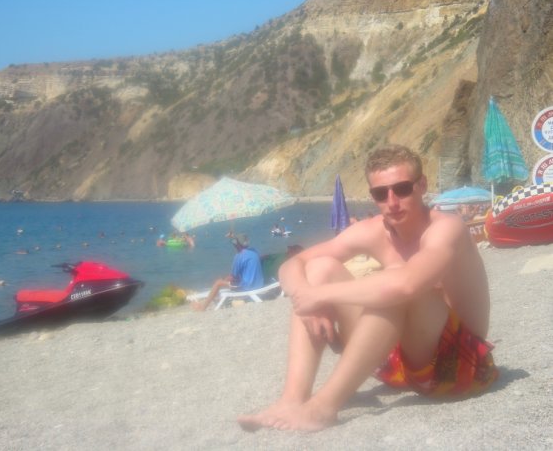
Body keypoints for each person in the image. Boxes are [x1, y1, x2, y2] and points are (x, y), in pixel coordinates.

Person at [238, 144, 498, 432]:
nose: (392, 202)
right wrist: (306, 299)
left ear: (422, 185)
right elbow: (292, 265)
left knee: (395, 282)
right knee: (319, 268)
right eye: (380, 194)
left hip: (459, 367)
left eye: (402, 189)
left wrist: (318, 296)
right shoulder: (373, 230)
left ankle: (322, 408)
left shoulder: (447, 228)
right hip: (398, 366)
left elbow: (407, 284)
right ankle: (292, 399)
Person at [192, 234, 264, 312]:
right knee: (226, 281)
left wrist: (223, 280)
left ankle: (202, 308)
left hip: (248, 287)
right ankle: (211, 299)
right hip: (259, 284)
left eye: (235, 243)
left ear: (237, 244)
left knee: (218, 283)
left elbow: (232, 277)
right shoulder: (254, 251)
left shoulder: (239, 256)